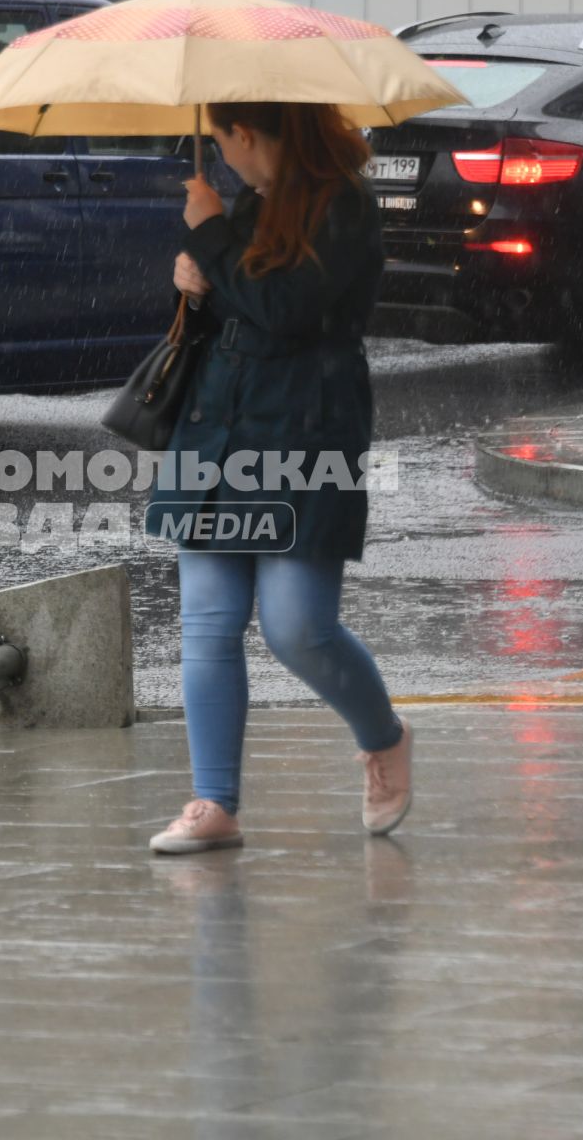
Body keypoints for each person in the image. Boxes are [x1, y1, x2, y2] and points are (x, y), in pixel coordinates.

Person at [147, 100, 411, 855]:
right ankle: (214, 801)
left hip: (305, 428)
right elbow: (238, 311)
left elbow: (288, 309)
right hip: (217, 425)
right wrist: (192, 290)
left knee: (298, 629)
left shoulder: (346, 206)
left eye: (225, 143)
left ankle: (384, 738)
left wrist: (210, 235)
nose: (222, 160)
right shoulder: (251, 202)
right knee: (207, 624)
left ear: (252, 135)